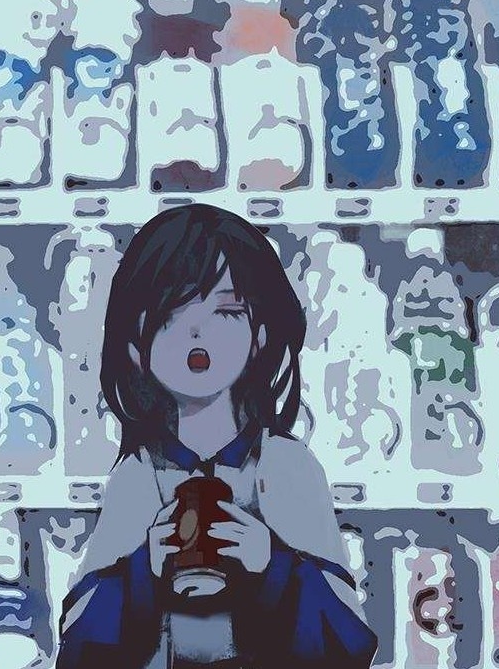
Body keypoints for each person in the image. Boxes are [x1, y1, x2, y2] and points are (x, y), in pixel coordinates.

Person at [56, 204, 378, 668]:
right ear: (134, 347)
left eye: (225, 311)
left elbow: (349, 644)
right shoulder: (138, 475)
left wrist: (271, 565)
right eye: (170, 313)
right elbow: (79, 650)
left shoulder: (289, 466)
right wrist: (143, 571)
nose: (197, 331)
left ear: (260, 335)